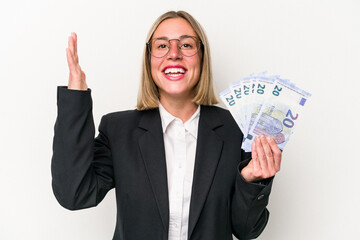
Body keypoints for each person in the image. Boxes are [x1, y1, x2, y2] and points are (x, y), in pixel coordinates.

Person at [51, 10, 282, 240]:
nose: (174, 54)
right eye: (161, 46)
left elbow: (246, 229)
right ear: (149, 59)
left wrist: (251, 181)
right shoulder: (118, 130)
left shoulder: (236, 131)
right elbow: (74, 194)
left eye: (187, 45)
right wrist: (76, 97)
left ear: (202, 57)